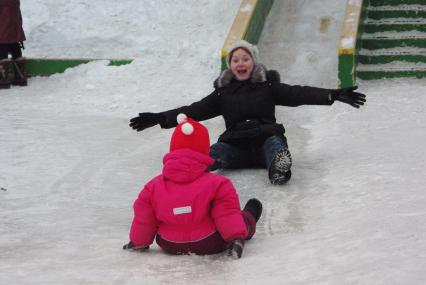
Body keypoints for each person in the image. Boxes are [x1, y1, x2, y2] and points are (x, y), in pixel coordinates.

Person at [129, 40, 366, 185]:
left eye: (245, 59)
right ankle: (192, 169)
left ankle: (278, 168)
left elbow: (298, 93)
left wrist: (331, 95)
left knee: (275, 145)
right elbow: (193, 110)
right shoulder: (222, 94)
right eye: (235, 60)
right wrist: (161, 117)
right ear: (230, 65)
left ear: (253, 62)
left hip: (265, 139)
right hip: (235, 146)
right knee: (213, 152)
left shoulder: (268, 87)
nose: (240, 63)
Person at [123, 114, 262, 259]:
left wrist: (138, 241)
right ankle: (249, 218)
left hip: (170, 243)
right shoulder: (217, 183)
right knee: (239, 217)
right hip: (210, 240)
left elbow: (144, 218)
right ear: (204, 150)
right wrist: (235, 238)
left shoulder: (152, 186)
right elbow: (226, 213)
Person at [0, 0, 27, 89]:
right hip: (13, 10)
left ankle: (3, 78)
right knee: (12, 39)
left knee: (2, 39)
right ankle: (20, 76)